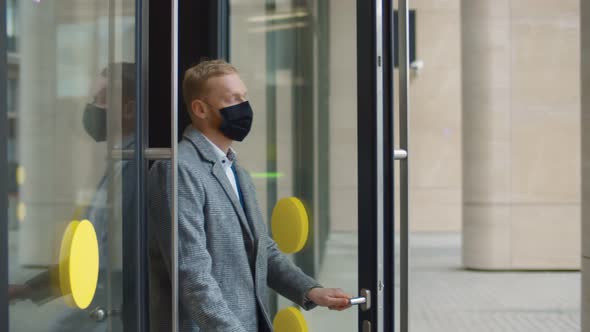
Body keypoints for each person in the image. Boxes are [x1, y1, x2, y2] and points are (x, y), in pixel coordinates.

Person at [148, 59, 352, 332]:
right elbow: (192, 274)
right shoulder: (178, 170)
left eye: (244, 97)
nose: (244, 107)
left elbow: (261, 248)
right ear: (200, 109)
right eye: (233, 99)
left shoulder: (235, 171)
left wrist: (311, 291)